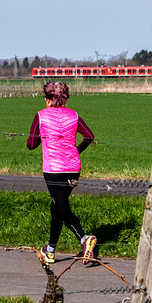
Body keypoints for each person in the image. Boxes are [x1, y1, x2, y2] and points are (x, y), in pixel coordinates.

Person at [27, 80, 96, 263]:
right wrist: (75, 151)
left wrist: (45, 137)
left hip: (54, 170)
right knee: (57, 206)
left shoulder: (41, 116)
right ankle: (50, 251)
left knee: (61, 206)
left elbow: (30, 145)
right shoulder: (74, 115)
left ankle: (84, 238)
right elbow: (89, 136)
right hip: (74, 170)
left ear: (49, 98)